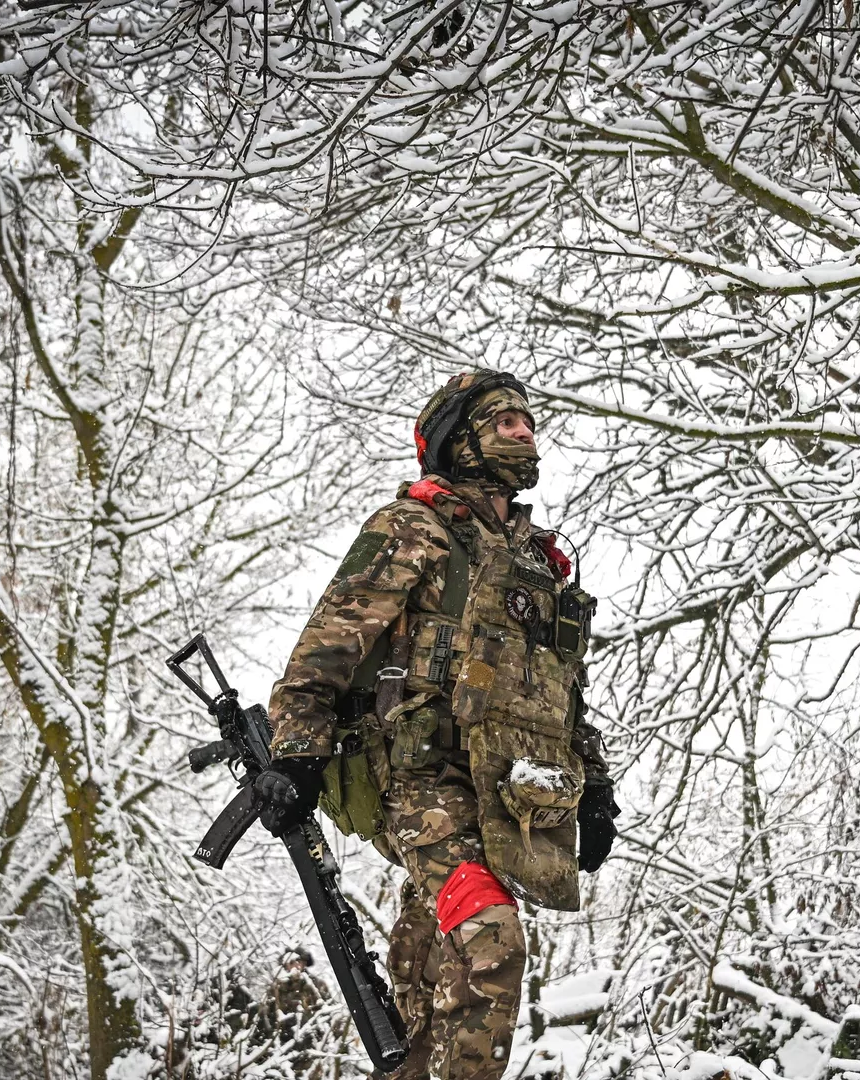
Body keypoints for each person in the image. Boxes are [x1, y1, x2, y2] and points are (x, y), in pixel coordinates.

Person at [255, 370, 618, 1080]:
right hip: (420, 782)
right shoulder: (414, 529)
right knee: (492, 941)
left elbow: (564, 695)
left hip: (508, 798)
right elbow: (325, 649)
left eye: (527, 423)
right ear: (461, 442)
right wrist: (295, 754)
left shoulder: (538, 564)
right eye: (503, 423)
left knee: (429, 980)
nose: (524, 433)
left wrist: (596, 788)